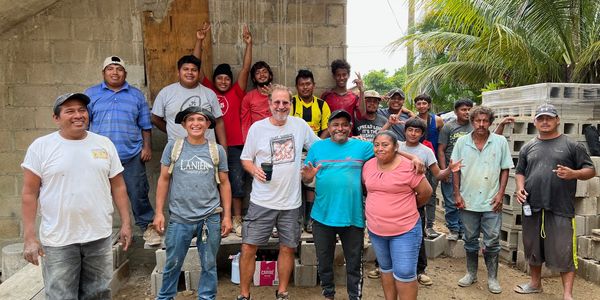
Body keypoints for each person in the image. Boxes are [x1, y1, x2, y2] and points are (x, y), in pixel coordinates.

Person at [301, 111, 424, 300]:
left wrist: (412, 158)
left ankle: (354, 296)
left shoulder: (361, 147)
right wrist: (307, 177)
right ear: (328, 127)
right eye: (335, 124)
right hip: (322, 216)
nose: (340, 128)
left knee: (354, 263)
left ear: (350, 127)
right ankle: (328, 294)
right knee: (324, 262)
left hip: (353, 216)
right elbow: (307, 176)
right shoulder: (317, 148)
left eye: (344, 124)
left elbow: (386, 148)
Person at [21, 93, 132, 300]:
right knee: (61, 295)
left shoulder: (104, 144)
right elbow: (29, 193)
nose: (78, 115)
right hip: (59, 240)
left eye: (82, 110)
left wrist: (126, 222)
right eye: (69, 111)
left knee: (98, 293)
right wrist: (29, 238)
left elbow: (118, 187)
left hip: (99, 236)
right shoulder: (41, 147)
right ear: (56, 118)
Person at [238, 84, 319, 300]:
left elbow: (318, 147)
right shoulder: (258, 128)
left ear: (290, 105)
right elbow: (245, 158)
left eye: (285, 103)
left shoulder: (300, 125)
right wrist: (253, 169)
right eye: (277, 102)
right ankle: (244, 294)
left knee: (288, 248)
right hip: (261, 201)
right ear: (269, 104)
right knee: (248, 247)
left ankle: (282, 292)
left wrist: (346, 144)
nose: (281, 107)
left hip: (291, 203)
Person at [513, 104, 595, 300]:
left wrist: (574, 173)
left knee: (564, 250)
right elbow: (520, 171)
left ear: (558, 120)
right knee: (533, 247)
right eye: (540, 118)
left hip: (560, 207)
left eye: (549, 118)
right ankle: (534, 284)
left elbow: (591, 170)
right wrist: (519, 188)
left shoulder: (572, 145)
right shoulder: (528, 146)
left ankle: (567, 294)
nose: (545, 121)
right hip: (532, 205)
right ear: (535, 122)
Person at [152, 107, 232, 300]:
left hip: (209, 217)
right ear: (184, 124)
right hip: (180, 218)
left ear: (208, 124)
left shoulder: (216, 150)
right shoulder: (174, 147)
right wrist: (159, 212)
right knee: (173, 263)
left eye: (201, 120)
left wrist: (227, 216)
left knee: (209, 264)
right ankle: (165, 297)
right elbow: (163, 179)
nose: (196, 123)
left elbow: (225, 184)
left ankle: (206, 297)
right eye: (191, 120)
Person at [85, 56, 159, 245]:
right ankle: (100, 232)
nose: (115, 72)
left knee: (138, 192)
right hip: (99, 156)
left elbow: (145, 124)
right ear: (104, 73)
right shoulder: (91, 94)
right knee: (99, 194)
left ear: (125, 73)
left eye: (119, 69)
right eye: (110, 68)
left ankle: (147, 228)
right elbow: (84, 123)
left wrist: (147, 147)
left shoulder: (136, 95)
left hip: (131, 154)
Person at [193, 22, 252, 237]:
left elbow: (245, 69)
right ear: (214, 80)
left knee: (236, 182)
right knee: (210, 182)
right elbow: (196, 67)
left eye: (227, 78)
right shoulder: (207, 89)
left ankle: (236, 219)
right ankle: (215, 219)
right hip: (209, 144)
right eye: (220, 78)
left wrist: (248, 44)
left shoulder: (237, 92)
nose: (224, 81)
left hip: (235, 145)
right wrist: (199, 40)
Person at [362, 130, 433, 300]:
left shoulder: (409, 167)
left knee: (405, 273)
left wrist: (406, 207)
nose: (380, 148)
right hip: (376, 230)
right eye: (377, 145)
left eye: (385, 145)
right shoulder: (368, 165)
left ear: (395, 147)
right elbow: (367, 190)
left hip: (405, 229)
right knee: (386, 269)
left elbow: (426, 193)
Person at [451, 106, 513, 294]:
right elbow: (455, 169)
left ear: (490, 122)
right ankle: (471, 273)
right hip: (468, 200)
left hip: (491, 200)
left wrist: (501, 194)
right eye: (478, 120)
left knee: (492, 240)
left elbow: (505, 169)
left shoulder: (500, 141)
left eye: (485, 121)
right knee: (470, 239)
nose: (481, 124)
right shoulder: (462, 142)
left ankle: (492, 278)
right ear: (472, 121)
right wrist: (457, 194)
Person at [399, 117, 462, 286]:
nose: (413, 133)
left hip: (416, 200)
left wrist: (449, 169)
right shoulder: (396, 146)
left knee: (417, 235)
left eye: (417, 131)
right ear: (405, 131)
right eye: (410, 130)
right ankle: (381, 265)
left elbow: (437, 174)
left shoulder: (426, 151)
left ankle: (420, 270)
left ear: (422, 133)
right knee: (390, 234)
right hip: (395, 200)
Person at [151, 55, 227, 148]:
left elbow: (219, 122)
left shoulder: (209, 94)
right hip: (177, 149)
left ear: (199, 73)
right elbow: (155, 119)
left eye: (194, 70)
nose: (189, 72)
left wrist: (224, 149)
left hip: (206, 150)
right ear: (178, 72)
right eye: (185, 69)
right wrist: (172, 130)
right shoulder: (166, 93)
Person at [291, 69, 331, 232]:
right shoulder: (291, 103)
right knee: (293, 185)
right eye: (302, 84)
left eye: (308, 84)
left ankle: (310, 219)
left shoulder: (321, 104)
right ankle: (297, 221)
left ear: (313, 85)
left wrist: (317, 147)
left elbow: (327, 128)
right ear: (297, 87)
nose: (305, 87)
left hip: (314, 152)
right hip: (294, 152)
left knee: (311, 185)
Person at [437, 98, 474, 241]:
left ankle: (464, 229)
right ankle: (453, 229)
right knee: (451, 201)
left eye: (469, 109)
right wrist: (444, 170)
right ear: (456, 112)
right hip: (451, 170)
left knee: (465, 201)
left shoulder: (474, 126)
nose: (467, 112)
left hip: (468, 170)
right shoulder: (448, 127)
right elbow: (441, 150)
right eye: (463, 109)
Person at [414, 94, 444, 238]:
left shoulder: (437, 120)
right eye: (418, 103)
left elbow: (441, 141)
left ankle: (430, 226)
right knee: (415, 194)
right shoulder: (412, 120)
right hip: (417, 163)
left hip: (432, 162)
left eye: (424, 103)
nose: (421, 106)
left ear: (429, 105)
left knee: (431, 194)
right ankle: (417, 224)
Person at [320, 59, 365, 125]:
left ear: (348, 75)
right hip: (331, 134)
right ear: (334, 76)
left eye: (344, 75)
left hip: (349, 134)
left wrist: (362, 91)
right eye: (338, 75)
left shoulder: (354, 97)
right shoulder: (326, 96)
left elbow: (362, 114)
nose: (341, 78)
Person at [241, 61, 274, 140]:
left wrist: (273, 95)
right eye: (258, 73)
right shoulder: (248, 97)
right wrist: (247, 143)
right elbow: (245, 123)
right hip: (257, 138)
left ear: (270, 76)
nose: (262, 75)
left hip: (276, 136)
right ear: (253, 79)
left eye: (264, 72)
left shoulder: (278, 94)